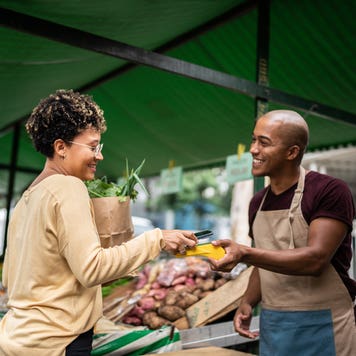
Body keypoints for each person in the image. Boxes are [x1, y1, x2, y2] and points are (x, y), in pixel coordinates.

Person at [0, 89, 198, 355]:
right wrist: (157, 239)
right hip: (56, 341)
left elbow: (13, 280)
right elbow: (91, 269)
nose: (100, 156)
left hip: (19, 338)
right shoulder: (68, 187)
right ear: (61, 147)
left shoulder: (27, 198)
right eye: (93, 147)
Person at [209, 110, 356, 355]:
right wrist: (247, 301)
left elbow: (315, 260)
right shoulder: (258, 202)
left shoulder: (329, 191)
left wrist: (244, 252)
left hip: (326, 325)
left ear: (292, 152)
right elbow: (262, 261)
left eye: (263, 143)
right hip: (275, 324)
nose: (253, 150)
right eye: (253, 140)